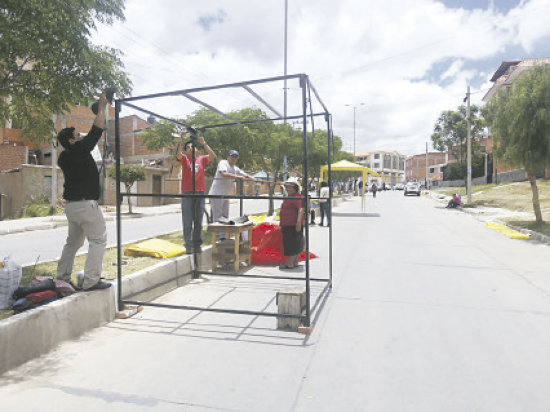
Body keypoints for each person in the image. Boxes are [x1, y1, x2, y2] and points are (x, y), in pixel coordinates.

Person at [56, 92, 110, 291]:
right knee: (98, 239)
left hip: (71, 206)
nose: (80, 137)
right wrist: (102, 107)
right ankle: (91, 281)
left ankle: (62, 278)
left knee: (73, 242)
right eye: (77, 136)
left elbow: (91, 135)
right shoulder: (79, 149)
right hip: (86, 205)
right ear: (71, 141)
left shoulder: (63, 157)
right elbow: (97, 130)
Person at [177, 133, 216, 254]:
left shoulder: (202, 159)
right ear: (186, 151)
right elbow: (177, 154)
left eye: (192, 146)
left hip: (200, 193)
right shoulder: (184, 159)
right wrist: (181, 139)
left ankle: (197, 245)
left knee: (198, 221)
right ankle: (188, 246)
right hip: (187, 194)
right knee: (187, 220)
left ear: (197, 149)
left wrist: (204, 143)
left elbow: (213, 156)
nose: (190, 148)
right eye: (188, 147)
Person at [208, 149, 254, 239]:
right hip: (216, 194)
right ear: (228, 157)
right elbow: (223, 174)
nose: (234, 159)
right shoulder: (223, 163)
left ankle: (224, 236)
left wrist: (253, 178)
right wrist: (238, 177)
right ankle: (218, 238)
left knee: (225, 216)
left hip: (226, 195)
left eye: (235, 157)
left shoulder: (235, 168)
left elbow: (244, 175)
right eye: (232, 156)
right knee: (218, 216)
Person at [279, 181, 305, 269]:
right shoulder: (291, 197)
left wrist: (298, 223)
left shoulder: (297, 197)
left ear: (295, 188)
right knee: (295, 242)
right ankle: (295, 261)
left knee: (292, 243)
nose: (287, 189)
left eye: (290, 188)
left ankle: (289, 263)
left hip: (292, 224)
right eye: (286, 188)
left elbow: (301, 210)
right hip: (287, 223)